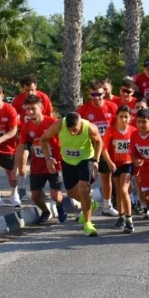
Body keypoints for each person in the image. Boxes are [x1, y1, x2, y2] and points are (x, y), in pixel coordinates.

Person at [40, 112, 103, 236]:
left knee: (83, 190)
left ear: (80, 124)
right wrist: (48, 159)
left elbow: (99, 142)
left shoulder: (89, 127)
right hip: (68, 162)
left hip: (85, 160)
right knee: (70, 193)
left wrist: (96, 160)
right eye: (69, 130)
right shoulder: (58, 125)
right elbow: (43, 140)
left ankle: (88, 224)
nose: (72, 133)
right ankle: (90, 203)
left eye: (74, 130)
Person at [14, 95, 65, 224]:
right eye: (28, 109)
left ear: (41, 108)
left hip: (54, 163)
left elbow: (65, 140)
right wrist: (15, 166)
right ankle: (45, 211)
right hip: (37, 165)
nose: (30, 112)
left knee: (55, 195)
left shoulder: (53, 122)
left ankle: (60, 207)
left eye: (33, 108)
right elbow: (21, 147)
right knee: (35, 196)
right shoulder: (26, 126)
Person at [77, 81, 119, 217]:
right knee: (86, 180)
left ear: (104, 93)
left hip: (107, 149)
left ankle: (107, 206)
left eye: (99, 94)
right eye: (93, 94)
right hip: (89, 149)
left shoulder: (112, 107)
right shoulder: (83, 110)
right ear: (89, 94)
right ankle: (86, 207)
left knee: (107, 178)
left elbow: (117, 128)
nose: (96, 97)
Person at [11, 75, 55, 197]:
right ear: (22, 89)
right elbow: (14, 117)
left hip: (43, 134)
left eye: (32, 90)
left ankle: (40, 190)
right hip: (26, 133)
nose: (30, 92)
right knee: (23, 158)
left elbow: (50, 115)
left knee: (42, 160)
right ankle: (22, 187)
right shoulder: (18, 100)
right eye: (27, 90)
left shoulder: (43, 97)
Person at [101, 105, 137, 233]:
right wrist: (109, 162)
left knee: (123, 190)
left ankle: (129, 220)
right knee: (118, 191)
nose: (123, 119)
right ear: (116, 117)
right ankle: (121, 217)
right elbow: (104, 148)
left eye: (126, 117)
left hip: (128, 163)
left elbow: (138, 146)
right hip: (115, 164)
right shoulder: (110, 131)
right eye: (121, 116)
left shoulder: (133, 131)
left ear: (131, 118)